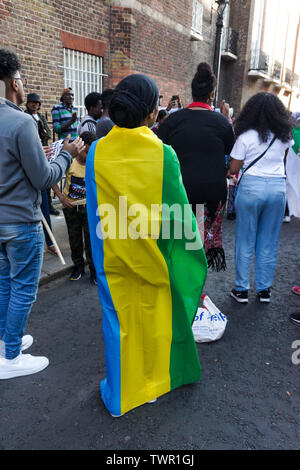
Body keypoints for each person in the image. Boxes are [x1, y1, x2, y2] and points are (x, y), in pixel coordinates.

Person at [85, 73, 207, 417]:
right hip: (152, 257)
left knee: (118, 321)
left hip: (113, 257)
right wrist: (187, 258)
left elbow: (97, 211)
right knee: (155, 318)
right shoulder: (163, 155)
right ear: (153, 113)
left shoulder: (97, 151)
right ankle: (153, 382)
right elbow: (179, 218)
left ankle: (124, 388)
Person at [0, 49, 85, 379]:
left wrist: (45, 153)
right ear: (14, 83)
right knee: (22, 287)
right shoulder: (21, 122)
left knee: (5, 284)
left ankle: (8, 341)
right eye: (21, 80)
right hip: (20, 222)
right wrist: (66, 155)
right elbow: (44, 178)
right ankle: (10, 358)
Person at [158, 63, 235, 271]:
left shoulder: (172, 121)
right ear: (211, 93)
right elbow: (232, 152)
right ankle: (195, 295)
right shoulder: (222, 123)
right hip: (209, 195)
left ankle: (175, 293)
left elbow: (157, 149)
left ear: (192, 92)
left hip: (178, 192)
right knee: (198, 248)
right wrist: (227, 117)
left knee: (175, 245)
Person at [229, 92, 294, 304]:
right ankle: (264, 290)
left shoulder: (245, 137)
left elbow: (234, 167)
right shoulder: (285, 137)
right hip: (277, 188)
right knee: (269, 241)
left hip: (251, 188)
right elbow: (282, 161)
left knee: (245, 239)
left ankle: (241, 290)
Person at [52, 131, 98, 285]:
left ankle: (94, 270)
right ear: (79, 147)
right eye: (86, 151)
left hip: (89, 207)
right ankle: (78, 267)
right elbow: (52, 178)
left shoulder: (95, 161)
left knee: (91, 240)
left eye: (91, 152)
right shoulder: (69, 160)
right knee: (75, 239)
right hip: (71, 207)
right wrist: (61, 198)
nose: (88, 155)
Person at [25, 92, 61, 246]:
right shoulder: (25, 118)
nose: (35, 105)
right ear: (28, 104)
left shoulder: (41, 118)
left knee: (46, 195)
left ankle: (49, 240)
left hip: (45, 155)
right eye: (32, 102)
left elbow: (46, 132)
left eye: (37, 103)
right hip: (34, 158)